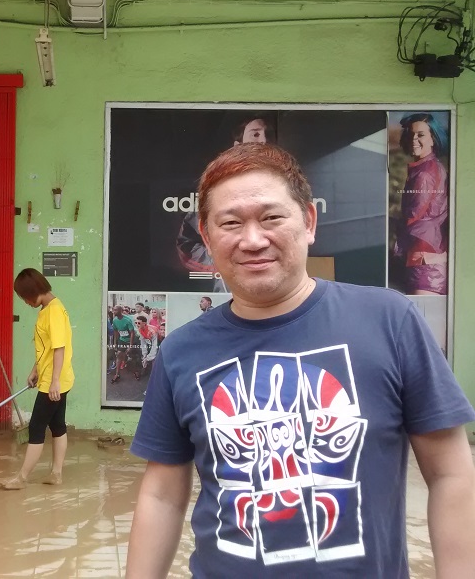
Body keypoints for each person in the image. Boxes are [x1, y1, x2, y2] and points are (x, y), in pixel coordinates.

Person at [127, 143, 475, 578]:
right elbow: (162, 495)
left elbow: (451, 473)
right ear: (206, 234)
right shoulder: (181, 351)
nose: (253, 240)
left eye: (272, 217)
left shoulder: (389, 320)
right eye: (231, 223)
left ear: (309, 221)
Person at [0, 268, 74, 489]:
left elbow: (59, 348)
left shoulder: (54, 312)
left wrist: (54, 381)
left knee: (37, 428)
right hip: (54, 377)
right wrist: (35, 370)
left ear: (32, 292)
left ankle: (20, 479)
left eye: (23, 297)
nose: (24, 302)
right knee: (57, 425)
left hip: (53, 382)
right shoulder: (49, 308)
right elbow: (47, 348)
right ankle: (56, 474)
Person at [176, 113, 276, 280]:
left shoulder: (292, 187)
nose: (264, 140)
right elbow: (187, 243)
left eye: (269, 135)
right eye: (256, 134)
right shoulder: (219, 190)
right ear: (238, 145)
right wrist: (227, 266)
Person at [394, 113, 449, 295]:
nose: (413, 139)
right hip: (426, 259)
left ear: (434, 138)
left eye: (421, 134)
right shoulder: (430, 168)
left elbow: (413, 217)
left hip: (426, 264)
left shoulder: (425, 174)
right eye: (410, 134)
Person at [111, 304, 136, 383]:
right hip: (122, 339)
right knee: (119, 354)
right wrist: (115, 343)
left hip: (131, 340)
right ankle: (117, 374)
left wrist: (130, 345)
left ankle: (137, 372)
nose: (114, 312)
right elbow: (115, 332)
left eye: (116, 310)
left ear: (121, 311)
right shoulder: (114, 320)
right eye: (113, 310)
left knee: (134, 358)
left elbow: (132, 333)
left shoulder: (127, 320)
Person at [134, 315, 159, 381]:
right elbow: (143, 342)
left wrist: (148, 358)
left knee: (154, 359)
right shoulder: (140, 329)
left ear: (144, 323)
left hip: (158, 342)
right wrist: (144, 355)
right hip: (149, 342)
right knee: (142, 356)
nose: (137, 324)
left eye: (139, 323)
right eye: (136, 323)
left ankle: (155, 376)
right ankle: (143, 369)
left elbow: (155, 345)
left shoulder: (152, 331)